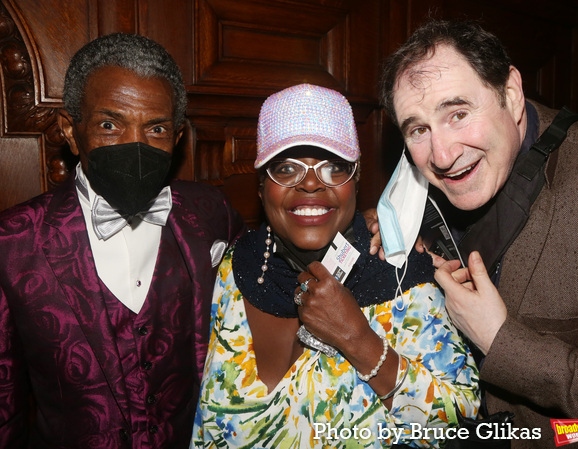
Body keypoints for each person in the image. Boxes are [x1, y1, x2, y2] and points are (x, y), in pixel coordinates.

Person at [190, 83, 479, 448]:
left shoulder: (401, 272)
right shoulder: (239, 265)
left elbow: (466, 424)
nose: (310, 183)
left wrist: (360, 341)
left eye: (334, 167)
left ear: (355, 181)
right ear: (261, 185)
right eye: (286, 167)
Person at [0, 33, 244, 448]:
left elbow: (265, 269)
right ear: (70, 132)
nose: (136, 146)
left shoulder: (209, 213)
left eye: (156, 128)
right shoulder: (12, 241)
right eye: (110, 125)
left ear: (178, 136)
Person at [379, 19, 578, 447]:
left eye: (458, 113)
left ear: (511, 95)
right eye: (419, 129)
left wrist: (501, 342)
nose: (442, 156)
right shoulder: (427, 176)